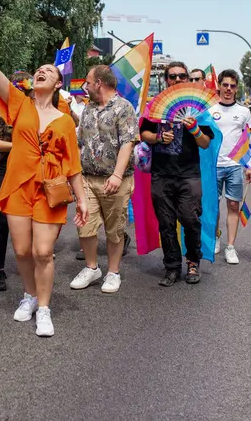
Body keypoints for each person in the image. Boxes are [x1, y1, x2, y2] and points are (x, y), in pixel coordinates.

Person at [0, 16, 88, 338]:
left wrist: (83, 200)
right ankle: (29, 295)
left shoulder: (66, 121)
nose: (41, 71)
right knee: (22, 250)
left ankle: (44, 307)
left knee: (43, 251)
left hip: (50, 189)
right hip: (17, 186)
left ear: (58, 83)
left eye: (49, 70)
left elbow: (72, 165)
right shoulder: (19, 104)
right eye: (38, 69)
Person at [140, 62, 214, 286]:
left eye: (183, 75)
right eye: (173, 76)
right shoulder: (155, 105)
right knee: (166, 223)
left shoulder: (198, 109)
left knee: (190, 219)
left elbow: (205, 143)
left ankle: (193, 261)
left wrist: (195, 129)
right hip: (161, 175)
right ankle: (171, 266)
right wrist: (158, 138)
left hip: (189, 175)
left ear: (188, 79)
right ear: (166, 80)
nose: (178, 79)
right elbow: (144, 133)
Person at [70, 66, 138, 294]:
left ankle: (113, 272)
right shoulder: (88, 109)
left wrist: (117, 175)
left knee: (114, 229)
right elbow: (81, 143)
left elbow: (128, 142)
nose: (85, 87)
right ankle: (92, 268)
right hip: (87, 179)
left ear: (99, 83)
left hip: (115, 180)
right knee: (85, 225)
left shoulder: (123, 107)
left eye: (88, 82)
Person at [0, 72, 33, 291]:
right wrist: (20, 146)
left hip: (28, 171)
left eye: (26, 90)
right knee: (1, 221)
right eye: (19, 90)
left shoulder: (36, 110)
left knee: (31, 220)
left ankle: (31, 261)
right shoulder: (0, 110)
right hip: (1, 169)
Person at [210, 69, 251, 263]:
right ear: (219, 86)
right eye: (225, 85)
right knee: (214, 207)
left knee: (234, 205)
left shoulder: (244, 112)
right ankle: (217, 236)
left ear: (236, 88)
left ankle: (231, 246)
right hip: (214, 166)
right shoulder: (209, 110)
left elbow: (248, 140)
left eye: (232, 86)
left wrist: (249, 165)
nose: (228, 89)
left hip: (235, 166)